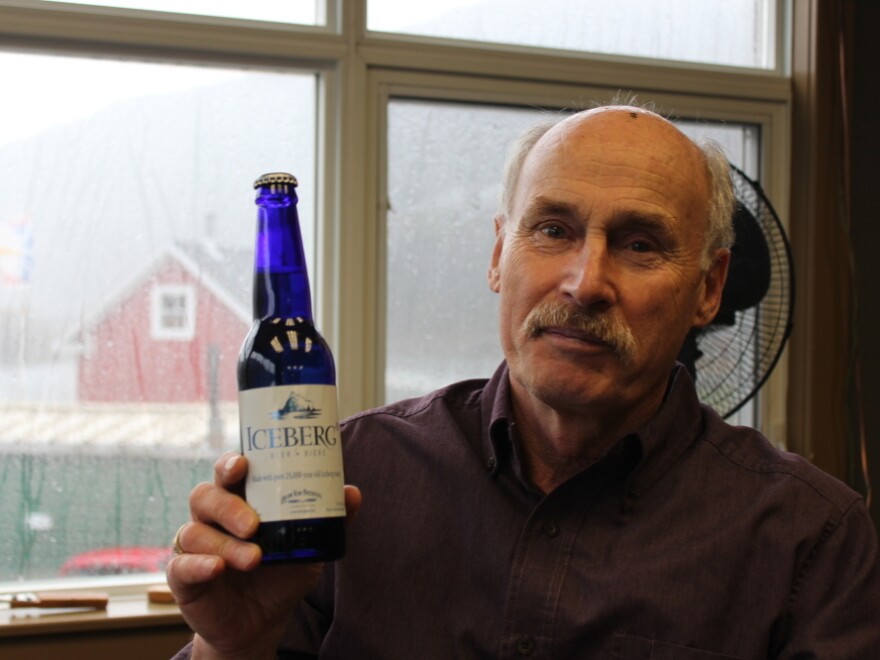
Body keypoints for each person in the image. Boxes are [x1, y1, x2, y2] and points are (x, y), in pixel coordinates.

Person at [168, 106, 880, 659]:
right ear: (498, 255)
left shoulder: (811, 541)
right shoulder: (349, 478)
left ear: (709, 289)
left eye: (639, 244)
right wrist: (233, 647)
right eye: (552, 230)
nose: (584, 282)